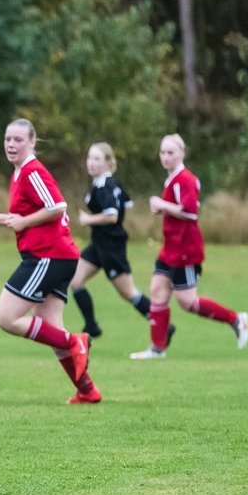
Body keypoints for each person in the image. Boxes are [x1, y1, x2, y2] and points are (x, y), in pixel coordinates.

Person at [0, 119, 100, 404]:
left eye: (18, 140)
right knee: (50, 327)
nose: (11, 144)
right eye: (7, 139)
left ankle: (76, 342)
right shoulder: (20, 172)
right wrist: (0, 219)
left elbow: (58, 206)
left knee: (6, 318)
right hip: (57, 256)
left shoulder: (33, 170)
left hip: (49, 256)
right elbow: (28, 219)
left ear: (32, 142)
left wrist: (23, 220)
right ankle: (87, 390)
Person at [129, 133, 248, 359]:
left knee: (187, 302)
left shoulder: (185, 179)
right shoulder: (172, 178)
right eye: (162, 152)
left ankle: (236, 319)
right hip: (170, 248)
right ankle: (157, 349)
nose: (165, 157)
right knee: (157, 291)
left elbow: (191, 211)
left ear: (182, 153)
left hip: (185, 249)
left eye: (170, 152)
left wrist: (163, 204)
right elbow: (178, 208)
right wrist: (164, 207)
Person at [71, 141, 172, 344]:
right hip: (98, 244)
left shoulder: (104, 186)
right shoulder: (108, 182)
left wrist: (89, 219)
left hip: (110, 247)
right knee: (75, 281)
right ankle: (91, 326)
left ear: (108, 162)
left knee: (129, 292)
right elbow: (127, 203)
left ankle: (164, 326)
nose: (91, 163)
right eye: (90, 158)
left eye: (97, 159)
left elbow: (112, 215)